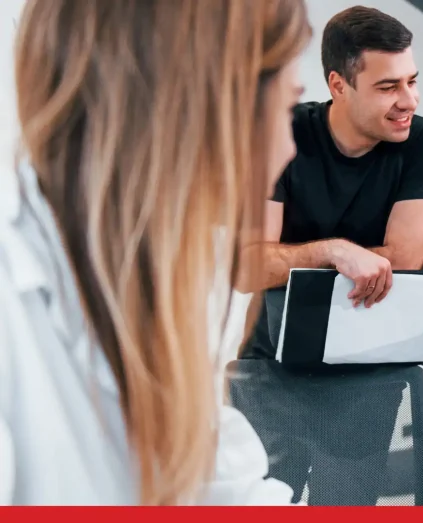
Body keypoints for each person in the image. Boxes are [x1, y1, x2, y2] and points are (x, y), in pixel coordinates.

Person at [0, 0, 311, 505]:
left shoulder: (153, 279)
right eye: (287, 108)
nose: (289, 149)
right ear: (212, 106)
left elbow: (221, 487)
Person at [233, 6, 423, 505]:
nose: (409, 100)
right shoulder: (283, 131)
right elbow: (246, 267)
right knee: (263, 503)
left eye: (412, 82)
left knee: (347, 505)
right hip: (271, 369)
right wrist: (334, 252)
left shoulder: (422, 140)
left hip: (366, 375)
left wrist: (289, 259)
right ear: (338, 83)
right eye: (388, 87)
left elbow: (403, 257)